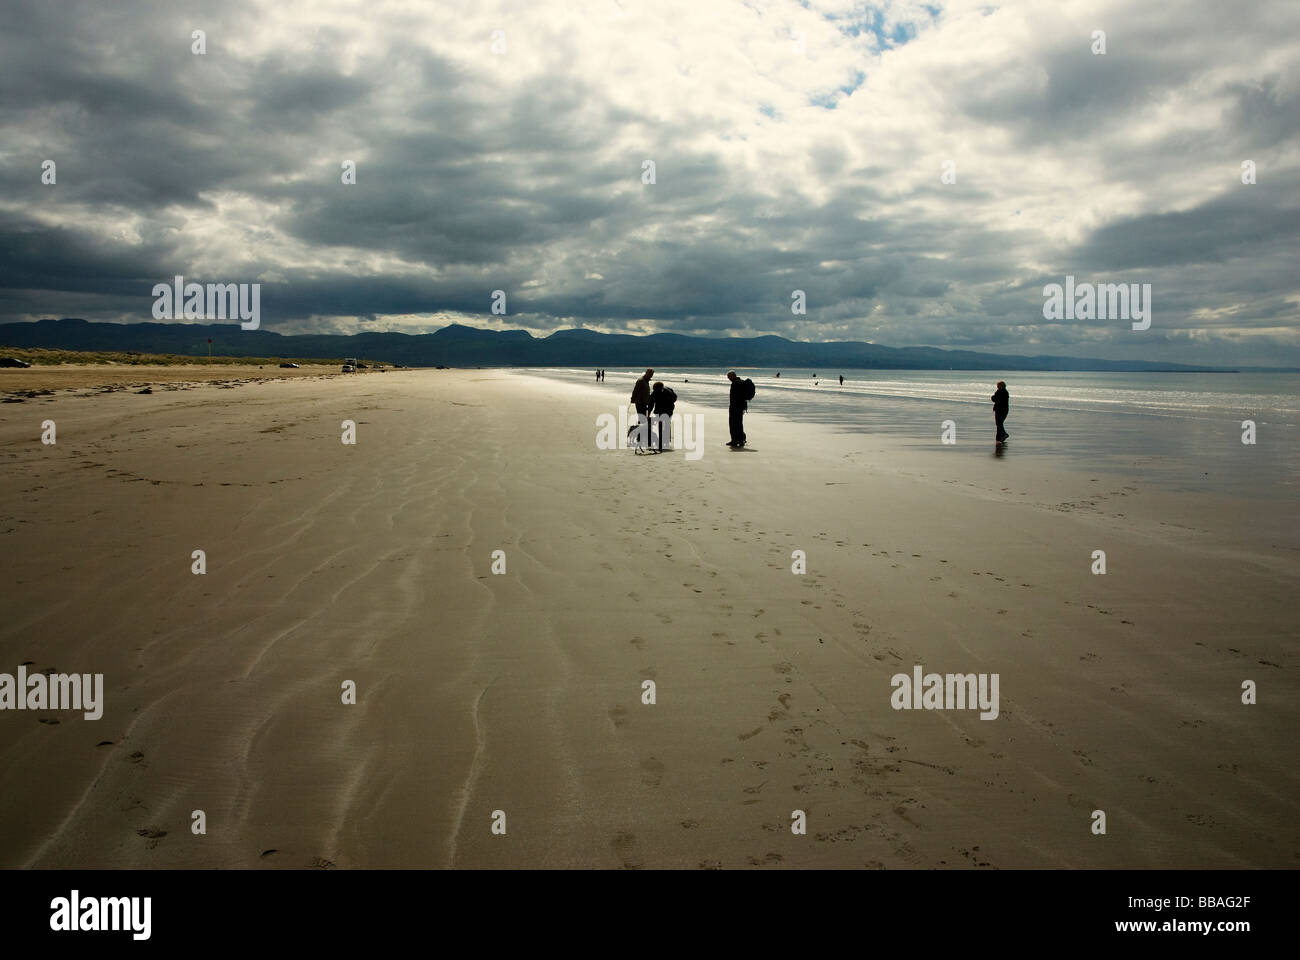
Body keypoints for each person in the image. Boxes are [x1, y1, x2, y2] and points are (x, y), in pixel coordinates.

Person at [648, 381, 677, 451]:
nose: (654, 390)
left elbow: (651, 403)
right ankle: (666, 442)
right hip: (669, 411)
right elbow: (675, 398)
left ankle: (661, 443)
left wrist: (648, 413)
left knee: (661, 427)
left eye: (654, 389)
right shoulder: (669, 389)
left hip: (662, 411)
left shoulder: (656, 392)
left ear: (657, 388)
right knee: (666, 426)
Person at [630, 368, 654, 446]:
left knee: (643, 420)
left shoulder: (646, 381)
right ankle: (638, 437)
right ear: (646, 373)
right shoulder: (641, 381)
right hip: (640, 403)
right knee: (643, 420)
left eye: (652, 373)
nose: (651, 375)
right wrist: (632, 399)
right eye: (649, 373)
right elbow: (635, 390)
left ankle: (639, 436)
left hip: (644, 403)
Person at [726, 370, 748, 447]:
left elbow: (736, 396)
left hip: (735, 407)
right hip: (741, 407)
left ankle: (735, 441)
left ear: (733, 376)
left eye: (729, 376)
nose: (728, 378)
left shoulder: (736, 383)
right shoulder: (740, 382)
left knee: (733, 424)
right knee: (738, 423)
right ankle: (740, 440)